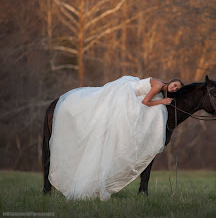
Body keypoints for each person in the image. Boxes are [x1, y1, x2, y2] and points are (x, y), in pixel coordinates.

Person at [48, 76, 184, 201]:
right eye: (175, 85)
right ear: (171, 81)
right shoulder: (159, 86)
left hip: (132, 91)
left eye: (177, 89)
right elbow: (145, 102)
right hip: (127, 93)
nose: (175, 88)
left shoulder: (162, 89)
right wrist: (163, 101)